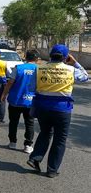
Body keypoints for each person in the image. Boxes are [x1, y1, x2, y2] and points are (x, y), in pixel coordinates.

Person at [27, 44, 88, 178]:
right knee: (60, 139)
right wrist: (76, 63)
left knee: (45, 133)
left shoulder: (39, 69)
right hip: (62, 110)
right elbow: (85, 77)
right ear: (66, 57)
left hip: (42, 107)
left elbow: (32, 87)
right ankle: (52, 169)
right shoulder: (71, 70)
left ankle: (35, 158)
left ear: (50, 55)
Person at [0, 50, 39, 153]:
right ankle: (28, 145)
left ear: (25, 57)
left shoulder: (18, 68)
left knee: (13, 122)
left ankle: (12, 142)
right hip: (31, 101)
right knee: (29, 123)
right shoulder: (38, 69)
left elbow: (10, 83)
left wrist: (4, 94)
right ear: (36, 59)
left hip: (15, 100)